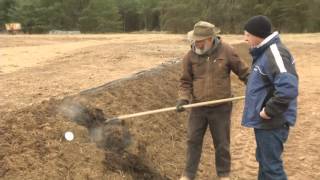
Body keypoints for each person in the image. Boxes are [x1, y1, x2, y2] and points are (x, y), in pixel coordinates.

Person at [176, 21, 250, 180]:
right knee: (193, 141)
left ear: (210, 38)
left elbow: (244, 72)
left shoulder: (227, 51)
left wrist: (254, 89)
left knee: (222, 144)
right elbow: (185, 82)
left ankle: (223, 175)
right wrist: (183, 99)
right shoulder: (190, 56)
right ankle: (188, 175)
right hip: (198, 107)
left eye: (200, 41)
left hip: (221, 107)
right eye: (195, 40)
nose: (197, 43)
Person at [242, 15, 299, 179]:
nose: (245, 38)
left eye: (247, 34)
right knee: (265, 164)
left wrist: (268, 111)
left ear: (257, 34)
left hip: (273, 121)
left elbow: (288, 88)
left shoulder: (275, 53)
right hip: (266, 123)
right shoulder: (264, 52)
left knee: (272, 169)